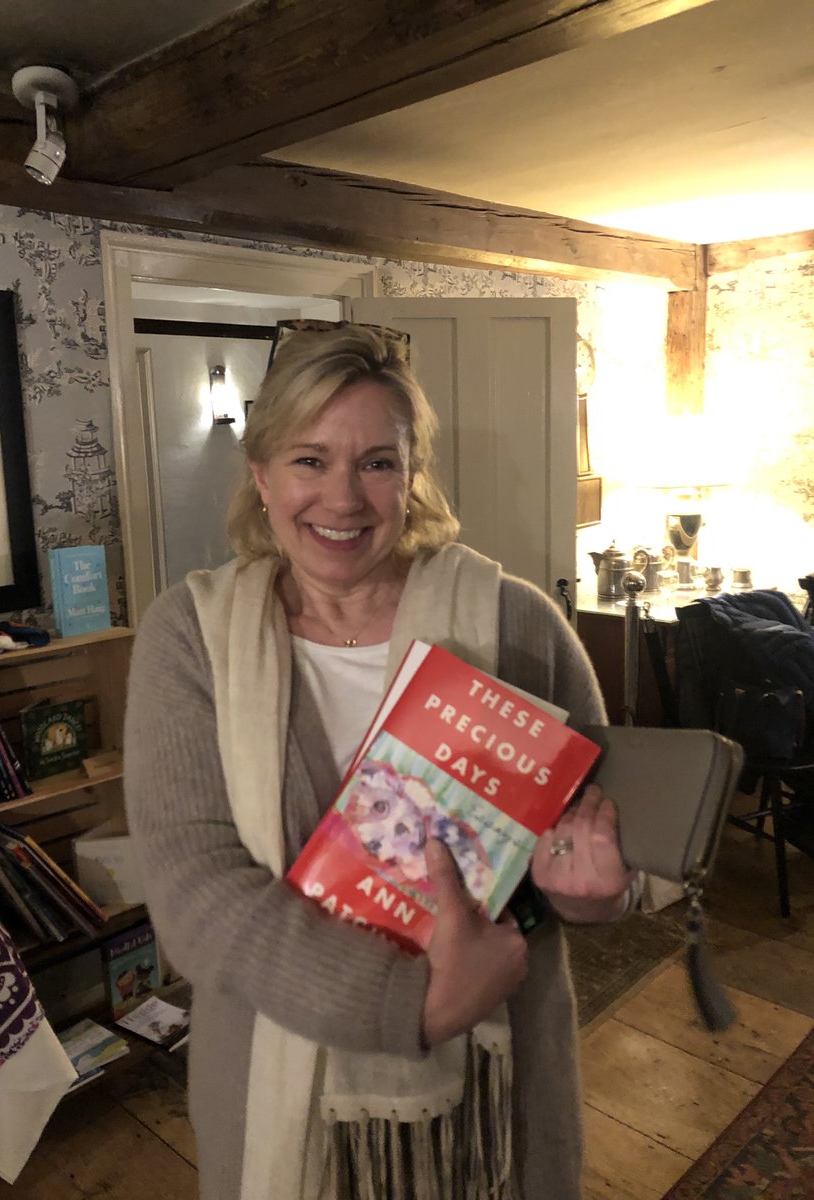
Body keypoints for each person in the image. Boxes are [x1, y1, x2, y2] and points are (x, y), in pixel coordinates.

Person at [124, 325, 637, 1200]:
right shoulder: (193, 637)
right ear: (261, 477)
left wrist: (590, 895)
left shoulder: (515, 625)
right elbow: (194, 893)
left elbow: (590, 844)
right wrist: (413, 1006)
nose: (343, 497)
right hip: (276, 1091)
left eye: (377, 463)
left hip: (497, 1095)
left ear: (412, 477)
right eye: (309, 460)